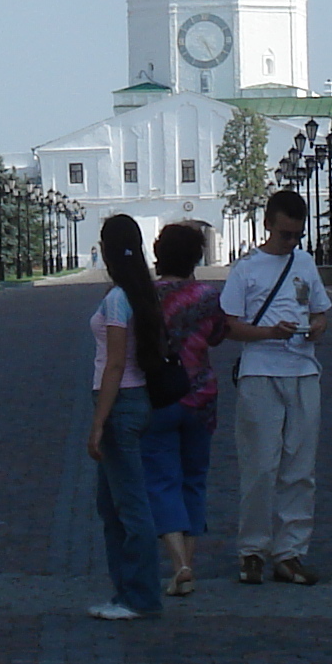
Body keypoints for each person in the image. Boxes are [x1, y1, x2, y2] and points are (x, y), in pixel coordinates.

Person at [219, 189, 330, 585]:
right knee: (261, 467)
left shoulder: (304, 263)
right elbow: (228, 325)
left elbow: (320, 310)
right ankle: (252, 550)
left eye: (296, 235)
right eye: (284, 234)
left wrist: (316, 327)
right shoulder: (245, 269)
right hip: (260, 372)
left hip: (303, 371)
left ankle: (291, 552)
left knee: (300, 468)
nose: (291, 242)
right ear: (267, 224)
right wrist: (269, 331)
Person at [85, 213, 167, 620]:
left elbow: (115, 364)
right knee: (111, 505)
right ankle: (124, 592)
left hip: (120, 402)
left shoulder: (118, 299)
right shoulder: (140, 292)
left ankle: (140, 597)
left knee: (131, 507)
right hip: (134, 400)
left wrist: (99, 421)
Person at [142, 219, 226, 597]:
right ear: (196, 257)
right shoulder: (207, 295)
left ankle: (178, 564)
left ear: (159, 254)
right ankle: (189, 563)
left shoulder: (143, 296)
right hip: (201, 396)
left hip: (158, 395)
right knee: (195, 478)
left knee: (161, 480)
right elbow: (219, 335)